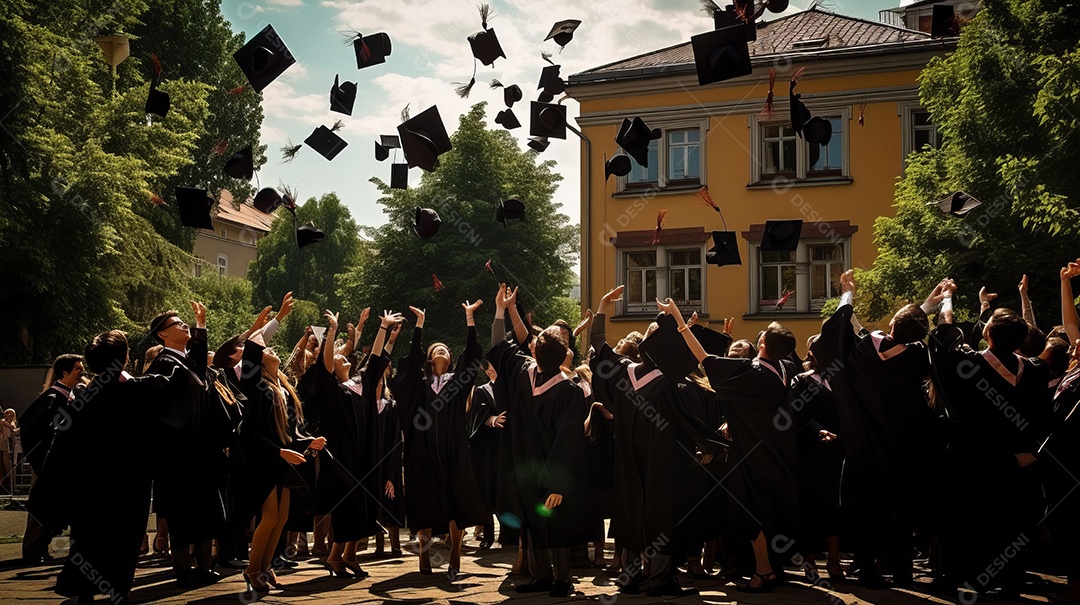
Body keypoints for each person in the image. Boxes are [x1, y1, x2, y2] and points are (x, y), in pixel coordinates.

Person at [590, 286, 725, 597]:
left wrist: (601, 307)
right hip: (662, 466)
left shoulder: (623, 373)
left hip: (628, 463)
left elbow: (598, 344)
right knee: (661, 513)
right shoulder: (669, 385)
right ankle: (660, 579)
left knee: (631, 510)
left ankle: (630, 576)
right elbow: (693, 418)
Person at [660, 296, 800, 593]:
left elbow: (706, 360)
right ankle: (773, 567)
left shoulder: (754, 373)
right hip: (776, 448)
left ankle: (763, 571)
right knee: (772, 508)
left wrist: (681, 322)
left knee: (753, 510)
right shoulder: (785, 368)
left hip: (752, 451)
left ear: (762, 345)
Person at [810, 270, 937, 587]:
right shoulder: (919, 357)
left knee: (865, 507)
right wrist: (932, 306)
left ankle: (866, 567)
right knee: (901, 508)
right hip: (903, 448)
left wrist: (848, 294)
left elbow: (841, 333)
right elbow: (907, 333)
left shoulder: (864, 351)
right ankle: (903, 571)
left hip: (864, 448)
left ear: (891, 325)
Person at [930, 282, 1051, 594]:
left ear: (987, 334)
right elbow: (1042, 418)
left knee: (971, 521)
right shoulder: (1036, 370)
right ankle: (1010, 580)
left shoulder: (968, 364)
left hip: (974, 459)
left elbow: (945, 334)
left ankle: (968, 579)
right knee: (1011, 521)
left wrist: (947, 298)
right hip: (1016, 460)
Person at [52, 330, 186, 605]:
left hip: (89, 484)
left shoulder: (81, 399)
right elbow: (183, 383)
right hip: (130, 482)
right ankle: (118, 591)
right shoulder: (141, 390)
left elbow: (65, 447)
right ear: (124, 358)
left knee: (87, 539)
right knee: (124, 540)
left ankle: (84, 591)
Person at [488, 284, 589, 598]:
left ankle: (560, 579)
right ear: (563, 357)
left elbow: (500, 346)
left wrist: (502, 311)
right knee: (539, 520)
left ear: (535, 352)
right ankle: (546, 577)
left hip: (532, 467)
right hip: (545, 469)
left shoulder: (522, 374)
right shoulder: (568, 388)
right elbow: (571, 439)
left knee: (544, 521)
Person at [389, 301, 487, 578]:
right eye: (437, 349)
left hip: (453, 452)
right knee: (424, 502)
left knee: (458, 501)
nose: (442, 349)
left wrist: (470, 320)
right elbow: (405, 371)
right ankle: (424, 554)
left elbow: (472, 356)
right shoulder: (419, 387)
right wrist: (419, 326)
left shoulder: (457, 383)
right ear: (429, 359)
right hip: (423, 453)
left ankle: (455, 553)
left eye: (446, 349)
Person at [236, 322, 326, 595]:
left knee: (283, 516)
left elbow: (290, 429)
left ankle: (265, 567)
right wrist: (277, 318)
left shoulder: (283, 388)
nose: (272, 351)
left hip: (282, 457)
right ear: (258, 360)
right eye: (267, 349)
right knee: (270, 514)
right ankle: (252, 569)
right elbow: (252, 432)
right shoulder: (255, 385)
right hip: (263, 457)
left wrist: (306, 440)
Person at [146, 301, 228, 586]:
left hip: (201, 451)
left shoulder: (186, 362)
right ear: (162, 335)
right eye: (177, 324)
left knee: (206, 510)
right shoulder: (163, 364)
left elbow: (197, 362)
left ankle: (204, 565)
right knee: (182, 513)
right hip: (178, 455)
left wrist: (201, 325)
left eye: (185, 323)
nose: (184, 326)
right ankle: (181, 568)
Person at [313, 308, 397, 578]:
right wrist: (333, 332)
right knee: (349, 505)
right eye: (338, 357)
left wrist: (383, 327)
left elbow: (375, 360)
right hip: (345, 458)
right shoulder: (335, 391)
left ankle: (348, 555)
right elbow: (324, 366)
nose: (342, 357)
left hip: (367, 456)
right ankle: (334, 556)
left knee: (366, 506)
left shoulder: (362, 383)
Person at [785, 335, 844, 579]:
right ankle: (809, 560)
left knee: (834, 506)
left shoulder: (843, 379)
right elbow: (796, 413)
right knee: (810, 505)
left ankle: (834, 561)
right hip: (811, 451)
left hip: (839, 450)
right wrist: (817, 430)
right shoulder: (802, 380)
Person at [20, 354, 83, 564]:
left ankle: (42, 548)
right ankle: (31, 550)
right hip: (46, 463)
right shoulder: (52, 399)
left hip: (62, 463)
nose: (81, 373)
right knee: (41, 505)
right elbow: (32, 430)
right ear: (64, 372)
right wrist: (43, 458)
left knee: (55, 505)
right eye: (77, 369)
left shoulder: (71, 396)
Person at [465, 359, 506, 551]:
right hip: (489, 447)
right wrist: (492, 420)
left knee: (506, 491)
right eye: (488, 365)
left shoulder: (511, 387)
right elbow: (476, 416)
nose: (491, 368)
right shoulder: (482, 391)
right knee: (488, 490)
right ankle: (488, 535)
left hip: (509, 445)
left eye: (494, 364)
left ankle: (509, 534)